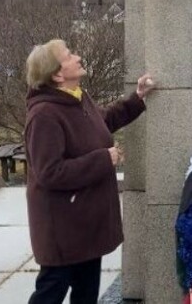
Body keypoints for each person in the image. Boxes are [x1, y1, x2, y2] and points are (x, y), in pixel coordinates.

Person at [24, 39, 155, 304]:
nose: (78, 57)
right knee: (50, 292)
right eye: (69, 55)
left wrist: (137, 98)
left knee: (86, 294)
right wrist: (103, 159)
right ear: (57, 74)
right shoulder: (44, 115)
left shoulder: (77, 98)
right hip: (63, 229)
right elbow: (50, 172)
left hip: (85, 224)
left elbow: (102, 122)